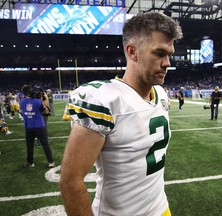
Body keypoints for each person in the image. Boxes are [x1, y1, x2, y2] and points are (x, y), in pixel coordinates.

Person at [60, 12, 183, 216]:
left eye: (169, 54)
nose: (167, 63)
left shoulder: (160, 93)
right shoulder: (104, 99)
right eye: (159, 53)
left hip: (161, 208)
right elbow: (70, 182)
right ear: (132, 52)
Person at [19, 85, 55, 168]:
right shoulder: (37, 101)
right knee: (45, 144)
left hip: (28, 126)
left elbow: (21, 112)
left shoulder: (22, 102)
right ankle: (50, 162)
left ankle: (30, 162)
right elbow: (45, 110)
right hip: (39, 125)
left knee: (30, 146)